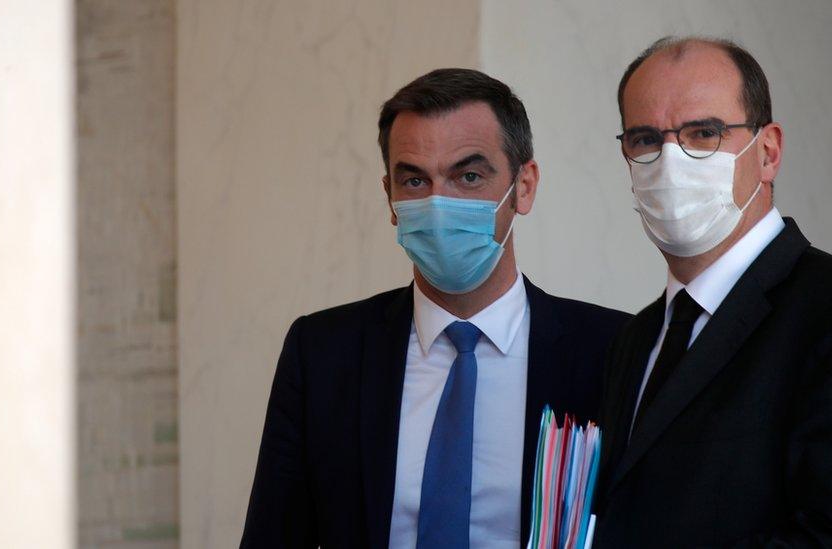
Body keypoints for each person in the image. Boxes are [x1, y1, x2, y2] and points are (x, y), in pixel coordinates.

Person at [240, 68, 630, 548]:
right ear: (390, 198)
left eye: (469, 176)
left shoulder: (615, 351)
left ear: (524, 186)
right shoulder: (323, 353)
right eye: (415, 181)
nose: (439, 203)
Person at [594, 37, 832, 547]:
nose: (671, 159)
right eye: (645, 139)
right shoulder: (635, 339)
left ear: (767, 153)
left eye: (704, 133)